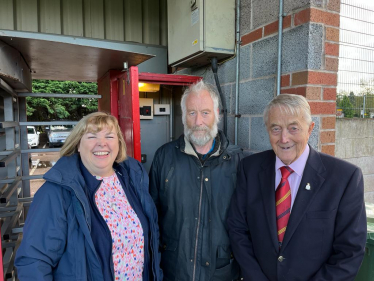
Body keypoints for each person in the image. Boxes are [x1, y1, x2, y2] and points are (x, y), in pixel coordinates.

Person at [227, 94, 367, 280]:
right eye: (276, 129)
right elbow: (237, 228)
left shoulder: (344, 178)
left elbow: (350, 252)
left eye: (293, 128)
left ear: (310, 129)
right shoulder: (250, 169)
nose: (284, 138)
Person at [15, 112, 162, 281]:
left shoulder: (134, 179)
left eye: (109, 136)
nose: (102, 143)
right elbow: (33, 261)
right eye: (92, 136)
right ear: (77, 144)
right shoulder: (56, 192)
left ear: (119, 144)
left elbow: (151, 242)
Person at [149, 80, 243, 281]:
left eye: (205, 112)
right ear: (183, 116)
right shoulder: (164, 157)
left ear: (217, 114)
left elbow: (247, 225)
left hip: (221, 273)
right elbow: (152, 218)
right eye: (192, 113)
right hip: (175, 271)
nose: (198, 121)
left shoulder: (238, 161)